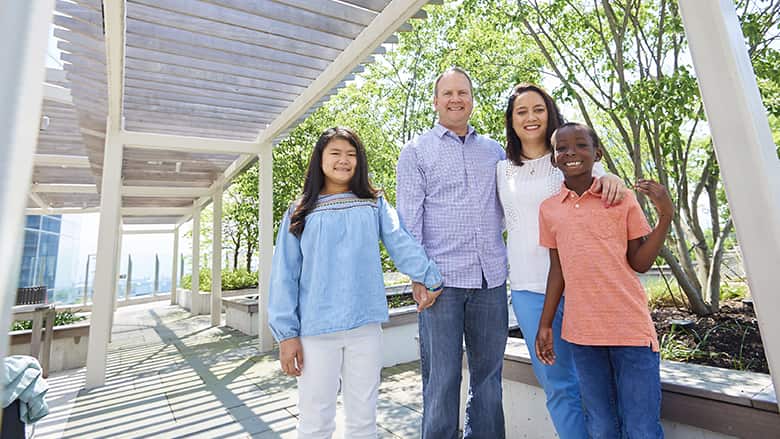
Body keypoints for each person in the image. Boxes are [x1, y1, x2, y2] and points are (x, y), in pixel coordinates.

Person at [268, 127, 443, 439]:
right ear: (319, 159)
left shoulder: (373, 203)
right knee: (315, 420)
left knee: (363, 419)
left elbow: (399, 242)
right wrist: (286, 335)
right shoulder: (299, 212)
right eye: (335, 153)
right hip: (315, 331)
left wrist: (429, 276)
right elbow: (284, 276)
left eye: (351, 155)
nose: (344, 160)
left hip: (365, 327)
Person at [496, 83, 624, 438]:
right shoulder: (501, 170)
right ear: (511, 121)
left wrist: (611, 176)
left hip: (583, 288)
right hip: (528, 290)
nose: (530, 117)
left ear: (550, 113)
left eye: (537, 109)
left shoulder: (567, 158)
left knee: (596, 384)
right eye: (521, 112)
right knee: (558, 386)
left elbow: (605, 185)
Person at [536, 122, 672, 438]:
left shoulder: (621, 198)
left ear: (597, 153)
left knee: (641, 428)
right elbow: (557, 270)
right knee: (600, 426)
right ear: (554, 159)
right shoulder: (550, 210)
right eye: (562, 148)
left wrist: (665, 216)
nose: (571, 152)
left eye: (581, 145)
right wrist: (545, 324)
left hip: (631, 331)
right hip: (582, 335)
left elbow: (640, 262)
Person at [396, 67, 508, 438]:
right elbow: (409, 224)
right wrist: (419, 277)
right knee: (441, 380)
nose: (456, 99)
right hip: (440, 284)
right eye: (448, 93)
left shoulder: (494, 152)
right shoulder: (415, 152)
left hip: (490, 280)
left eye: (463, 92)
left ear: (472, 100)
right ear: (436, 101)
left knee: (489, 381)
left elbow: (507, 211)